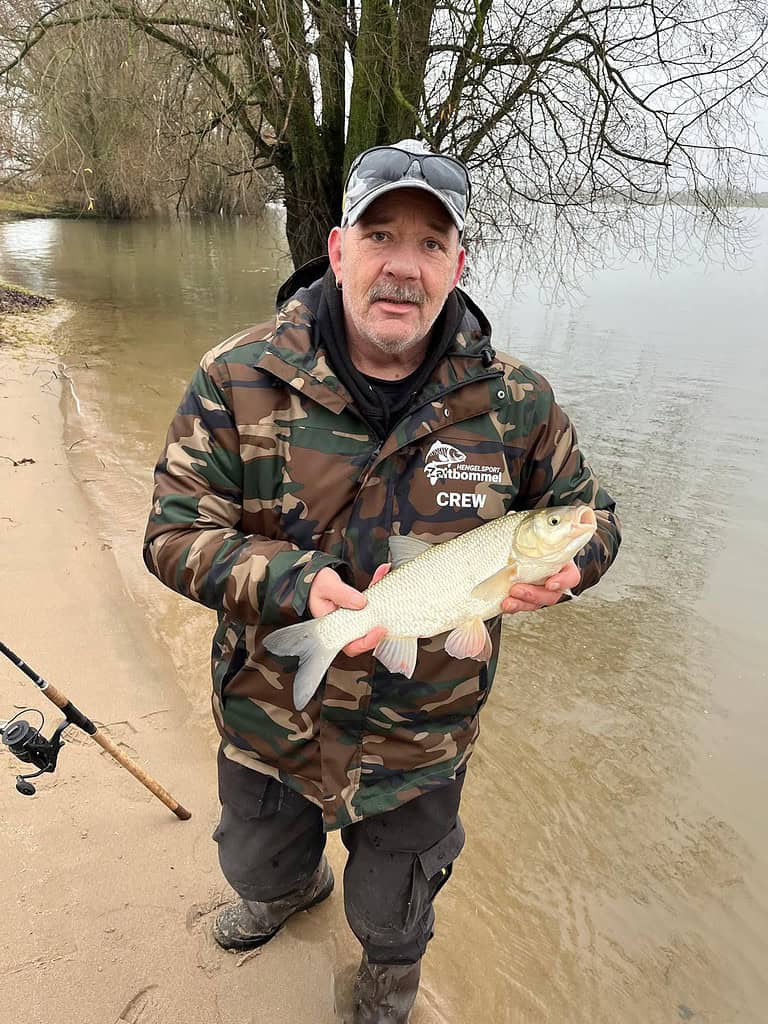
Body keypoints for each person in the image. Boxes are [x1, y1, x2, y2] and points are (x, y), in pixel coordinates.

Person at [143, 138, 621, 1022]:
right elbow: (173, 532)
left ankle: (390, 980)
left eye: (431, 244)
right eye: (381, 236)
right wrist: (292, 584)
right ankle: (285, 893)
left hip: (422, 742)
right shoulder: (237, 377)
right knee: (256, 859)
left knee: (395, 912)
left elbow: (593, 516)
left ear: (458, 263)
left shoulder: (517, 403)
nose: (403, 267)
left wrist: (571, 570)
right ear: (337, 248)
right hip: (269, 713)